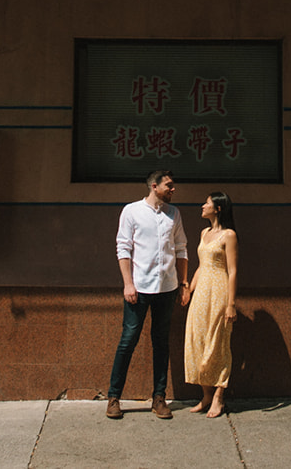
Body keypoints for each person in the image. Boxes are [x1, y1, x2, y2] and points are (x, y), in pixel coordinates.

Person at [106, 169, 189, 420]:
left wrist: (183, 284)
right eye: (169, 186)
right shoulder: (131, 211)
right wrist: (127, 283)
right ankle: (114, 397)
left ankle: (159, 397)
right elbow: (123, 247)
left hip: (167, 288)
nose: (173, 190)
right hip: (139, 288)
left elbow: (181, 249)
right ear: (154, 186)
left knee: (161, 342)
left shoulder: (173, 214)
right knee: (128, 340)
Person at [182, 191, 239, 418]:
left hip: (219, 291)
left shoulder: (229, 235)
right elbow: (200, 266)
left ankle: (218, 397)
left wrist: (231, 304)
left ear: (218, 209)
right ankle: (205, 395)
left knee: (218, 343)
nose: (202, 206)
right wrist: (188, 289)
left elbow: (233, 270)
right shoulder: (204, 232)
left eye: (207, 203)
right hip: (201, 293)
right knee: (197, 340)